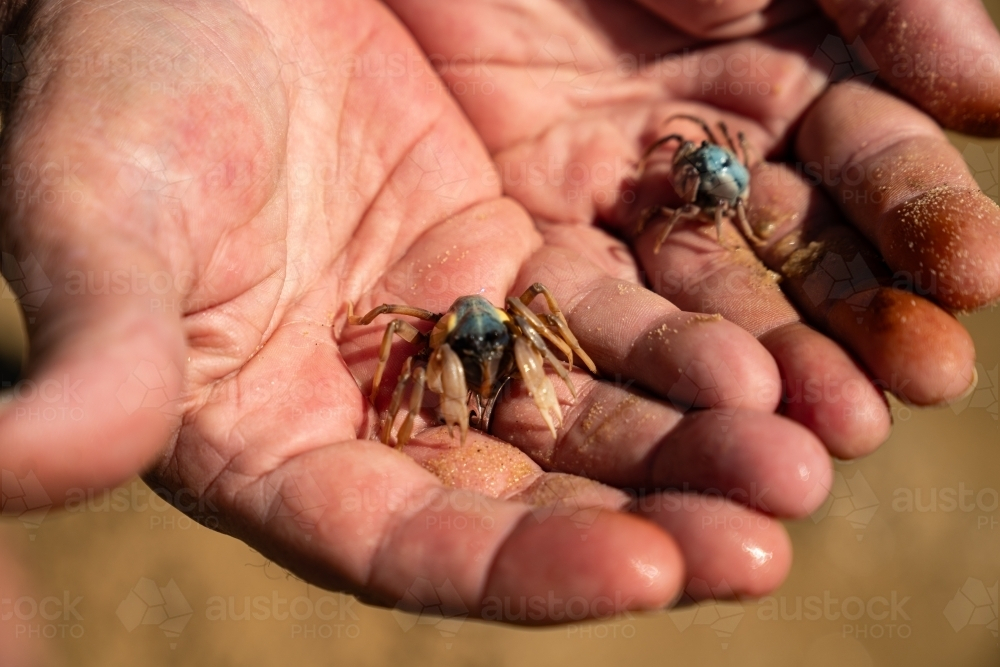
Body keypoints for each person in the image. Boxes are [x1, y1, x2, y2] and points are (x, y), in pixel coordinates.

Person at [1, 0, 998, 623]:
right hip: (462, 310)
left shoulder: (529, 322)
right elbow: (399, 331)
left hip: (524, 294)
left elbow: (541, 335)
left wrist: (543, 353)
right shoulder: (433, 334)